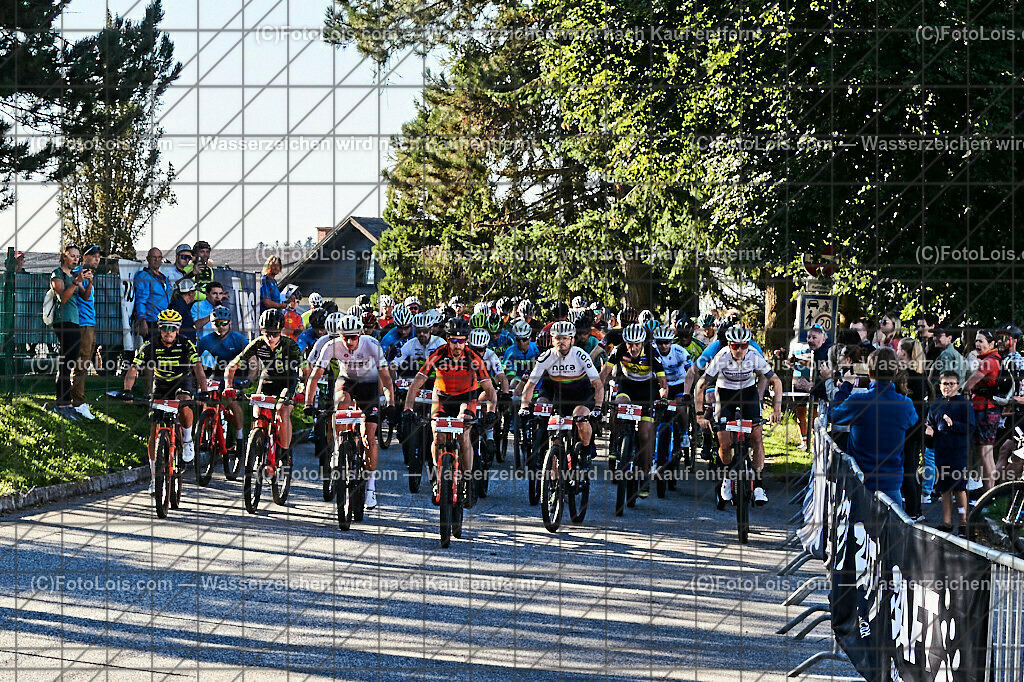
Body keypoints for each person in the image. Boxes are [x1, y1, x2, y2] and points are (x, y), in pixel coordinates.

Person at [404, 318, 499, 508]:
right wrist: (407, 408)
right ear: (447, 339)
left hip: (467, 398)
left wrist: (492, 410)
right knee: (437, 435)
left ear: (466, 340)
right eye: (454, 341)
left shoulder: (473, 357)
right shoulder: (438, 354)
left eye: (462, 340)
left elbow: (489, 388)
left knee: (464, 434)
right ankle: (438, 479)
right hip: (442, 397)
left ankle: (468, 480)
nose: (458, 345)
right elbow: (417, 382)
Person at [304, 314, 395, 511]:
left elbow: (386, 378)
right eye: (346, 337)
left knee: (368, 436)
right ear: (339, 335)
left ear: (361, 333)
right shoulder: (331, 346)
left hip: (369, 385)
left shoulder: (371, 344)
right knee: (340, 402)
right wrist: (308, 402)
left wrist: (391, 403)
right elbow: (315, 375)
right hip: (346, 382)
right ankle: (338, 447)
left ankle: (370, 487)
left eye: (354, 336)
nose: (350, 341)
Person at [122, 309, 209, 494]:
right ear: (159, 329)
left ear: (177, 330)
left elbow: (198, 369)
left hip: (182, 380)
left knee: (184, 402)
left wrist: (204, 392)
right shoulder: (150, 345)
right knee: (154, 430)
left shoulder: (186, 344)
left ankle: (186, 440)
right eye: (164, 328)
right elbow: (133, 369)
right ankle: (154, 478)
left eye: (172, 328)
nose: (168, 332)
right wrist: (127, 391)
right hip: (161, 384)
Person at [695, 325, 783, 507]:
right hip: (725, 395)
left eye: (743, 345)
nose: (739, 350)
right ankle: (727, 476)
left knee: (756, 438)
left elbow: (776, 381)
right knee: (725, 444)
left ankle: (758, 485)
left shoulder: (753, 356)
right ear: (729, 344)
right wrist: (699, 415)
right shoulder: (722, 357)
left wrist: (777, 409)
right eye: (735, 346)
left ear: (748, 344)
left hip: (747, 394)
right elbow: (702, 384)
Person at [830, 347, 919, 507]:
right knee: (891, 530)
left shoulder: (859, 401)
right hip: (891, 483)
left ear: (869, 372)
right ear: (896, 371)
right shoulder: (906, 404)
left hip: (861, 482)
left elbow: (834, 415)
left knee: (857, 529)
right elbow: (912, 420)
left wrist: (845, 387)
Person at [224, 310, 305, 470]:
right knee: (258, 415)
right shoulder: (258, 343)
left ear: (281, 331)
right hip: (267, 380)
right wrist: (228, 386)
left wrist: (303, 390)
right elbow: (232, 365)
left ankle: (285, 454)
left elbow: (305, 370)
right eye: (267, 333)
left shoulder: (290, 345)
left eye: (275, 333)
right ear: (262, 331)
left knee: (282, 411)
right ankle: (258, 444)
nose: (271, 337)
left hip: (288, 382)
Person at [599, 323, 669, 498]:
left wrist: (662, 398)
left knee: (645, 435)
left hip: (648, 391)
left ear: (643, 343)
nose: (633, 348)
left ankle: (645, 475)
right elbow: (604, 374)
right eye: (630, 343)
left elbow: (663, 384)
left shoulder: (652, 353)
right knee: (618, 404)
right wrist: (598, 394)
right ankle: (617, 443)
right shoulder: (620, 349)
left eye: (637, 344)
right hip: (628, 387)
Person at [926, 371, 975, 536]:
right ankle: (947, 522)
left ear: (958, 386)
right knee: (944, 488)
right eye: (944, 384)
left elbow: (970, 428)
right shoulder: (935, 405)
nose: (947, 387)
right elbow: (931, 427)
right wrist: (929, 434)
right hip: (941, 452)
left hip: (958, 452)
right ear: (939, 386)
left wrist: (953, 424)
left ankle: (963, 522)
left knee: (959, 488)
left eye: (951, 384)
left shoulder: (964, 404)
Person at [196, 306, 248, 455]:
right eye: (217, 323)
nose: (221, 326)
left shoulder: (238, 339)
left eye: (224, 323)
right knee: (206, 397)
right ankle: (207, 428)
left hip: (237, 374)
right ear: (212, 324)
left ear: (229, 323)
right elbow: (194, 361)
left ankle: (239, 437)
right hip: (217, 372)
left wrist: (249, 379)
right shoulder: (206, 340)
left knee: (232, 401)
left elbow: (253, 360)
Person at [897, 338, 932, 519]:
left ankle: (913, 511)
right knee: (912, 468)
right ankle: (915, 509)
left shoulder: (907, 376)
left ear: (904, 352)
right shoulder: (920, 376)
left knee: (908, 469)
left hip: (909, 428)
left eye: (898, 349)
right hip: (917, 427)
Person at [963, 329, 1002, 489]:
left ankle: (988, 494)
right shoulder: (994, 359)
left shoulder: (988, 361)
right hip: (989, 409)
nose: (977, 344)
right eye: (976, 341)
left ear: (991, 344)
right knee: (988, 454)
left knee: (985, 454)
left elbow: (968, 385)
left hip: (984, 410)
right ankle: (990, 493)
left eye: (981, 341)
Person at [50, 244, 84, 420]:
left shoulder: (74, 275)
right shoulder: (58, 273)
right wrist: (76, 282)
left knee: (69, 361)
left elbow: (84, 296)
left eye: (77, 256)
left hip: (74, 320)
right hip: (63, 320)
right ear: (64, 257)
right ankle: (62, 403)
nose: (76, 259)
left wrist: (87, 281)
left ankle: (65, 402)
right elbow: (62, 297)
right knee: (66, 361)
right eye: (72, 256)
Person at [70, 244, 102, 420]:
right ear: (84, 257)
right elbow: (84, 296)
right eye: (93, 256)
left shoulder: (87, 274)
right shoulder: (79, 273)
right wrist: (88, 281)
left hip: (89, 322)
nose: (97, 259)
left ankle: (76, 399)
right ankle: (78, 402)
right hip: (82, 324)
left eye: (98, 256)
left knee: (84, 364)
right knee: (81, 365)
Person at [132, 247, 173, 343]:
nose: (157, 260)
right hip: (151, 322)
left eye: (159, 257)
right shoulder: (143, 276)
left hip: (164, 321)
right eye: (154, 257)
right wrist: (142, 321)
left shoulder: (163, 277)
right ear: (148, 259)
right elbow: (141, 300)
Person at [930, 323, 968, 391]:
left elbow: (945, 378)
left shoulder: (947, 354)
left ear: (949, 338)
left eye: (939, 335)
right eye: (934, 335)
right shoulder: (956, 354)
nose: (934, 338)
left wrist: (932, 389)